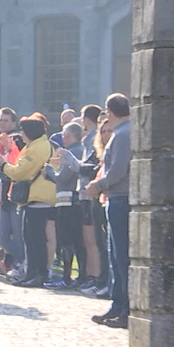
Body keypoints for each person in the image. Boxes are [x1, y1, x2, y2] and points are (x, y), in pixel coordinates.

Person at [0, 114, 56, 287]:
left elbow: (20, 172)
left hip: (37, 197)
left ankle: (36, 274)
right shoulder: (37, 145)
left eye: (23, 130)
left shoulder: (35, 149)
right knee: (31, 238)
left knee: (34, 239)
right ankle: (32, 273)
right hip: (37, 197)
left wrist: (2, 164)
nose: (21, 133)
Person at [86, 94, 131, 329]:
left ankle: (124, 309)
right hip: (117, 197)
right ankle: (117, 304)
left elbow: (116, 171)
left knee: (121, 256)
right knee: (116, 256)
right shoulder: (123, 133)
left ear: (110, 111)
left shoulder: (122, 135)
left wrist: (97, 185)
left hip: (120, 197)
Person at [44, 122, 85, 288]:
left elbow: (63, 178)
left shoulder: (72, 152)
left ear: (68, 136)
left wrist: (49, 171)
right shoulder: (80, 150)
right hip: (71, 201)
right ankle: (78, 276)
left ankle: (66, 277)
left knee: (67, 240)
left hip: (67, 202)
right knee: (77, 241)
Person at [81, 117, 113, 298]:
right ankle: (103, 281)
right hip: (99, 200)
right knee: (101, 244)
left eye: (109, 131)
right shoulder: (101, 153)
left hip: (108, 198)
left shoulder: (116, 150)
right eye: (103, 131)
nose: (106, 135)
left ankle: (107, 283)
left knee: (108, 246)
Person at [0, 107, 25, 277]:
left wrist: (9, 152)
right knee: (3, 236)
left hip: (16, 193)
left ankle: (24, 262)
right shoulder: (0, 139)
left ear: (13, 122)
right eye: (0, 120)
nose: (2, 123)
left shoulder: (17, 139)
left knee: (17, 234)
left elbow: (19, 163)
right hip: (3, 192)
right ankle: (15, 261)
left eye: (5, 120)